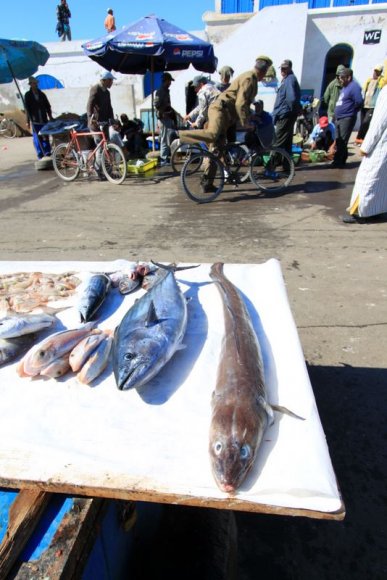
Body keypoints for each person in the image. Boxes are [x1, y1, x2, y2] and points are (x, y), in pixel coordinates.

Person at [179, 55, 273, 193]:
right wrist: (245, 123)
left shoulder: (251, 79)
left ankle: (207, 183)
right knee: (212, 135)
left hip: (227, 116)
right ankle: (180, 135)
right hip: (220, 110)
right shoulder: (249, 79)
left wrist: (252, 116)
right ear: (263, 72)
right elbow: (240, 103)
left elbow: (244, 104)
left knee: (217, 150)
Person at [342, 86, 387, 223]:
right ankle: (376, 210)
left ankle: (361, 212)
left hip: (381, 145)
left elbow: (379, 123)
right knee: (382, 181)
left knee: (369, 178)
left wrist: (366, 146)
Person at [86, 71, 116, 178]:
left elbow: (109, 107)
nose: (112, 82)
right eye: (110, 80)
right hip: (95, 123)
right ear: (104, 80)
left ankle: (108, 170)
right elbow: (90, 105)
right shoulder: (95, 89)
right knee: (100, 147)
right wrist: (90, 118)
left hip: (104, 122)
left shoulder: (107, 93)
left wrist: (112, 119)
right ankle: (98, 171)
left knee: (106, 146)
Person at [332, 68, 363, 168]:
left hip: (347, 118)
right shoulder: (345, 87)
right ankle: (341, 159)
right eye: (339, 77)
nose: (339, 79)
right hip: (339, 117)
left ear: (348, 77)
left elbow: (359, 102)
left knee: (342, 141)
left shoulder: (354, 87)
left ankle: (338, 162)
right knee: (339, 139)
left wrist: (351, 111)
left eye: (341, 77)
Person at [272, 59, 301, 158]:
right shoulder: (288, 79)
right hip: (287, 114)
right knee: (287, 141)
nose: (283, 70)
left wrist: (286, 111)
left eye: (285, 68)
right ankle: (287, 165)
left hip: (285, 115)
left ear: (290, 68)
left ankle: (270, 167)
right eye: (282, 68)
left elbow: (291, 98)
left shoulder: (290, 79)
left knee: (277, 142)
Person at [24, 76, 54, 159]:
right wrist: (27, 121)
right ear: (30, 84)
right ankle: (40, 154)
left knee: (45, 136)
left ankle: (47, 152)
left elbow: (48, 106)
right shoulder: (28, 95)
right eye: (33, 83)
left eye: (36, 83)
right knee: (37, 138)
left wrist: (50, 116)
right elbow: (27, 109)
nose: (35, 85)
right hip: (35, 120)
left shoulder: (42, 94)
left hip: (43, 119)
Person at [355, 64, 385, 144]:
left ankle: (359, 138)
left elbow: (383, 83)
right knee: (363, 123)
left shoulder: (381, 81)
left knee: (366, 122)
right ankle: (361, 139)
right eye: (375, 71)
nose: (375, 73)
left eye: (378, 71)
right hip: (365, 105)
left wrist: (380, 78)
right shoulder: (369, 80)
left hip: (372, 106)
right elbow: (364, 90)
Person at [154, 72, 177, 166]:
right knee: (164, 139)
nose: (170, 83)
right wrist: (163, 113)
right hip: (163, 119)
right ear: (166, 81)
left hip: (167, 118)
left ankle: (165, 157)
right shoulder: (160, 91)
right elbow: (156, 105)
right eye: (169, 81)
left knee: (167, 138)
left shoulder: (166, 91)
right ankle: (163, 159)